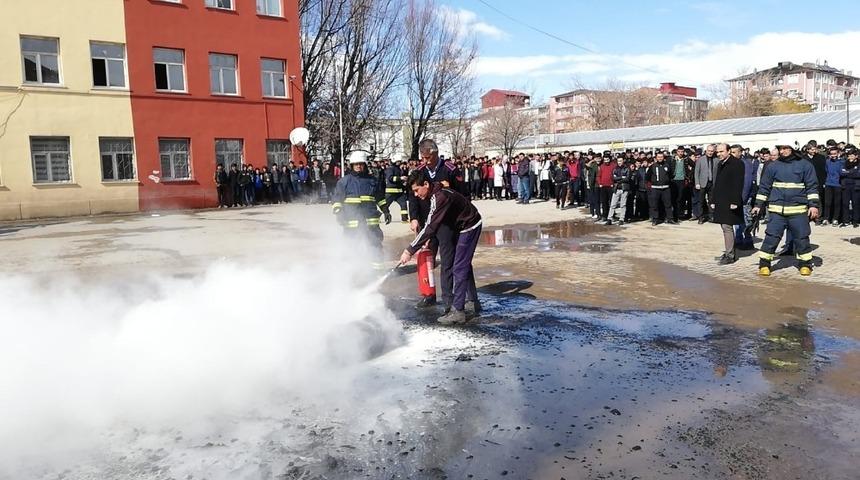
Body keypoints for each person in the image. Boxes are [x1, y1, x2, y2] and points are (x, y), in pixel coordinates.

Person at [400, 169, 483, 325]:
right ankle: (472, 301)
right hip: (461, 225)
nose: (416, 195)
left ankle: (458, 311)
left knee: (459, 267)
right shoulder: (436, 193)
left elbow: (430, 226)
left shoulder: (440, 197)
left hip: (470, 225)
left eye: (417, 190)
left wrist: (409, 250)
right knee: (462, 265)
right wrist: (425, 238)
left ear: (426, 184)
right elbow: (433, 224)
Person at [407, 139, 464, 311]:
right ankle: (428, 294)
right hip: (427, 223)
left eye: (428, 157)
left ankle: (449, 301)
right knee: (427, 260)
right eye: (423, 157)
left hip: (447, 224)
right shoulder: (420, 171)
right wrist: (414, 218)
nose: (425, 161)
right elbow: (412, 196)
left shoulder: (450, 170)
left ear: (435, 153)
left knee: (447, 262)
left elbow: (462, 195)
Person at [753, 140, 820, 276]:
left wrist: (813, 205)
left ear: (793, 148)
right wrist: (758, 205)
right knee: (771, 237)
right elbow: (764, 187)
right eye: (780, 148)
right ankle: (764, 264)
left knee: (801, 238)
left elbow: (812, 187)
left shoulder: (805, 165)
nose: (781, 151)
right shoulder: (773, 166)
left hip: (798, 210)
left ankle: (805, 264)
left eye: (785, 148)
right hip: (777, 210)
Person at [331, 151, 386, 268]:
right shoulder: (344, 181)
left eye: (361, 164)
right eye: (356, 164)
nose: (358, 166)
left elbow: (380, 198)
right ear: (352, 165)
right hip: (351, 222)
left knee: (375, 244)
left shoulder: (373, 181)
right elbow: (337, 199)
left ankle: (377, 270)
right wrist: (339, 213)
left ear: (365, 165)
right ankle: (352, 271)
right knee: (351, 246)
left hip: (370, 221)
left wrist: (386, 210)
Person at [710, 144, 745, 264]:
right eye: (718, 152)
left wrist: (735, 201)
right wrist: (713, 200)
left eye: (722, 151)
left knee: (727, 227)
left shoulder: (737, 164)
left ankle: (730, 255)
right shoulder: (721, 163)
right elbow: (717, 183)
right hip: (721, 200)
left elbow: (738, 183)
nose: (719, 154)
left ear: (728, 151)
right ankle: (728, 251)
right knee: (724, 226)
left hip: (730, 201)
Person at [646, 152, 676, 225]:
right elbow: (647, 177)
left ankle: (669, 218)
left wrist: (666, 181)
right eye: (658, 157)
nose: (660, 158)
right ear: (656, 158)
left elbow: (671, 175)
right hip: (655, 188)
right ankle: (655, 219)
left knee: (668, 204)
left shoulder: (667, 166)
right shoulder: (652, 166)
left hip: (666, 188)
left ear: (663, 157)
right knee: (655, 205)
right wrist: (654, 182)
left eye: (661, 157)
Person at [822, 146, 845, 226]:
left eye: (835, 154)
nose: (833, 155)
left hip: (837, 184)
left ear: (838, 153)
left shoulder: (842, 162)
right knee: (827, 202)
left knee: (837, 203)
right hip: (828, 184)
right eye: (831, 154)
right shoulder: (827, 162)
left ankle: (835, 219)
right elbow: (826, 171)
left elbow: (842, 172)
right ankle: (826, 218)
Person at [694, 144, 716, 223]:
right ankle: (700, 217)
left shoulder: (716, 160)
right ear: (706, 151)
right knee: (701, 201)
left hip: (712, 183)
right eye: (709, 151)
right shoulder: (700, 159)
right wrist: (697, 183)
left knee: (711, 201)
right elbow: (696, 172)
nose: (710, 152)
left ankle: (711, 216)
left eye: (712, 151)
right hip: (702, 183)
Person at [607, 157, 632, 225]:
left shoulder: (627, 169)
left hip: (624, 188)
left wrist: (618, 179)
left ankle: (621, 219)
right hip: (616, 188)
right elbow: (613, 178)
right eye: (618, 161)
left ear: (623, 161)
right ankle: (609, 218)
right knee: (613, 204)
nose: (619, 162)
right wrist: (621, 177)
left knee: (623, 205)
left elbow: (627, 178)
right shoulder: (615, 169)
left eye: (620, 161)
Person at [840, 146, 859, 228]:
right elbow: (841, 173)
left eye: (852, 155)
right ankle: (846, 220)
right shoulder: (844, 163)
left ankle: (855, 221)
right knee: (845, 204)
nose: (850, 157)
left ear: (856, 156)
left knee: (856, 204)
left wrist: (848, 172)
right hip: (845, 186)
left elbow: (858, 174)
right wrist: (852, 172)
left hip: (855, 186)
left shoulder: (859, 164)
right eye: (849, 156)